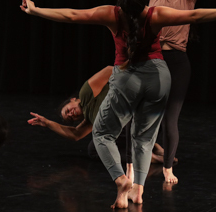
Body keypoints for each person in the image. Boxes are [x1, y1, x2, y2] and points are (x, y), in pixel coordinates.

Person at [20, 0, 216, 207]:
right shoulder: (155, 13)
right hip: (158, 77)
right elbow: (196, 15)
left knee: (102, 134)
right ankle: (138, 191)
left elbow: (71, 15)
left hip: (128, 78)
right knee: (144, 137)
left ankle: (121, 179)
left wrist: (36, 10)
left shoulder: (112, 14)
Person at [27, 66, 168, 181]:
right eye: (70, 117)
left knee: (106, 134)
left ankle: (147, 151)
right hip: (135, 127)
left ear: (73, 100)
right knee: (94, 149)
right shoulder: (91, 118)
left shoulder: (86, 93)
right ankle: (152, 150)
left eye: (68, 111)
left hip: (139, 116)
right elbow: (75, 134)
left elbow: (109, 70)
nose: (71, 114)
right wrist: (47, 123)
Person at [150, 0, 197, 184]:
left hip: (177, 61)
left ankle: (168, 167)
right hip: (152, 58)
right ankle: (132, 166)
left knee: (170, 119)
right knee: (140, 114)